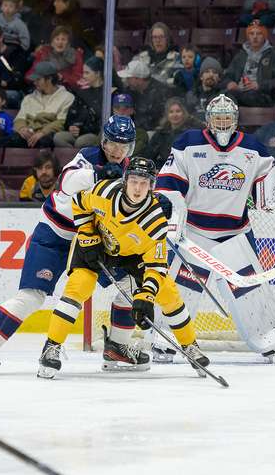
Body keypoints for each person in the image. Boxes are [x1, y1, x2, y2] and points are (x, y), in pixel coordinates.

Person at [0, 115, 138, 374]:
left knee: (130, 283)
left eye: (123, 146)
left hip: (93, 241)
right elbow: (67, 182)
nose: (117, 150)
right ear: (104, 141)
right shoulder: (88, 157)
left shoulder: (129, 171)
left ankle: (117, 348)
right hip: (56, 233)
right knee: (32, 296)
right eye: (113, 144)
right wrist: (98, 174)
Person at [156, 94, 275, 361]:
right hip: (194, 232)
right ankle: (166, 339)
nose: (222, 123)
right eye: (217, 117)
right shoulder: (188, 143)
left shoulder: (253, 148)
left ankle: (266, 335)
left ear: (235, 121)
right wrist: (172, 215)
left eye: (227, 118)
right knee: (181, 288)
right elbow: (167, 183)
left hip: (235, 232)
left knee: (249, 290)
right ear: (208, 120)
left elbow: (264, 193)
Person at [37, 157, 209, 378]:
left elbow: (156, 266)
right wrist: (88, 236)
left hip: (130, 254)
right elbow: (79, 203)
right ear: (125, 181)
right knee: (78, 288)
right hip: (97, 245)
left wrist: (146, 295)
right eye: (134, 181)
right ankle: (51, 348)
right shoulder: (104, 192)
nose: (138, 188)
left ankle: (190, 346)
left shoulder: (155, 219)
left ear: (151, 186)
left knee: (167, 292)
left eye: (144, 183)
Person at [0, 62, 75, 149]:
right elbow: (20, 118)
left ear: (49, 79)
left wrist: (42, 132)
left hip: (48, 136)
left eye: (38, 79)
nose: (34, 82)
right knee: (4, 141)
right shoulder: (29, 98)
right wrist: (22, 128)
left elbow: (61, 122)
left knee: (43, 141)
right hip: (28, 134)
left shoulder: (67, 97)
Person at [223, 20, 275, 107]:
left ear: (264, 36)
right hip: (240, 92)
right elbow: (227, 75)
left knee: (228, 98)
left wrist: (259, 85)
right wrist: (230, 83)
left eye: (259, 33)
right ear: (248, 36)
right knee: (221, 96)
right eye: (251, 33)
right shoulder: (240, 56)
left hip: (264, 96)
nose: (255, 37)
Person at [54, 56, 105, 149]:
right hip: (79, 132)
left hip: (95, 134)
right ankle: (74, 159)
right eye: (83, 72)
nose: (84, 76)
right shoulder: (82, 93)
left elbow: (101, 121)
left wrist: (81, 129)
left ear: (97, 73)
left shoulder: (107, 93)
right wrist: (71, 126)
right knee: (58, 137)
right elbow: (71, 115)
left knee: (81, 142)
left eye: (87, 73)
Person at [140, 97, 202, 166]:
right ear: (167, 115)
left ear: (184, 113)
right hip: (164, 169)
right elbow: (148, 155)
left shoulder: (191, 133)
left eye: (178, 111)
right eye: (171, 112)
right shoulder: (161, 133)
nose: (174, 115)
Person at [118, 60, 173, 131]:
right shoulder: (129, 91)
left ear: (139, 79)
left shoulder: (162, 92)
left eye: (128, 78)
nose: (126, 81)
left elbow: (162, 120)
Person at [27, 26, 84, 91]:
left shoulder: (76, 55)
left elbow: (78, 79)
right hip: (40, 88)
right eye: (57, 39)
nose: (60, 42)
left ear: (68, 43)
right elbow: (31, 74)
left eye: (63, 39)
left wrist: (63, 77)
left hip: (62, 91)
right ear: (52, 41)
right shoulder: (45, 51)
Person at [131, 22, 183, 88]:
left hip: (166, 95)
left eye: (161, 37)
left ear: (167, 39)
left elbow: (175, 84)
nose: (158, 40)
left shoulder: (177, 58)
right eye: (155, 37)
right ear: (151, 40)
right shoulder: (141, 57)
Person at [186, 57, 225, 122]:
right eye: (207, 72)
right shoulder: (191, 95)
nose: (211, 75)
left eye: (215, 72)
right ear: (201, 76)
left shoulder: (225, 97)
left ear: (219, 78)